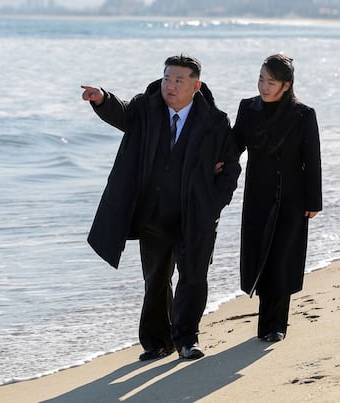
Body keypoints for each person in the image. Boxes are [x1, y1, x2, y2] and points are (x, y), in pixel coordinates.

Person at [81, 54, 240, 361]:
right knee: (155, 280)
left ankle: (186, 340)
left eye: (179, 80)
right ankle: (157, 342)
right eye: (167, 78)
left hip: (195, 215)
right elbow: (123, 114)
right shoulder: (147, 108)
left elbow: (231, 167)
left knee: (193, 277)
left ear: (196, 85)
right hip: (155, 214)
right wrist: (102, 99)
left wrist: (214, 204)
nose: (171, 86)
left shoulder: (215, 122)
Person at [232, 53, 322, 342]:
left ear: (287, 84)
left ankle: (275, 326)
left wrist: (313, 202)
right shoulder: (247, 109)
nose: (264, 86)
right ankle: (266, 323)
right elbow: (234, 145)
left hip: (292, 198)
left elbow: (312, 160)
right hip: (257, 195)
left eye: (271, 82)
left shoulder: (303, 114)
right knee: (260, 255)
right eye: (261, 79)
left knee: (282, 258)